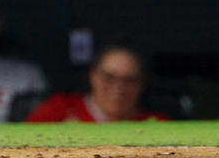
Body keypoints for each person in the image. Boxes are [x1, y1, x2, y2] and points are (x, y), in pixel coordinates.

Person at [27, 45, 170, 123]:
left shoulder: (157, 123)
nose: (119, 87)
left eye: (130, 80)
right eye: (109, 77)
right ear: (93, 75)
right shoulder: (58, 110)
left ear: (141, 84)